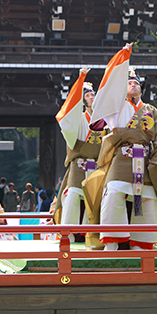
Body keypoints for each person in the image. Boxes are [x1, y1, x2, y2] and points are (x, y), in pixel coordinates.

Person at [85, 44, 157, 251]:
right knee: (114, 194)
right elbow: (99, 114)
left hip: (145, 159)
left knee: (146, 199)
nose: (133, 85)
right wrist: (123, 59)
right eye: (129, 82)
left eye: (136, 82)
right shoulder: (116, 106)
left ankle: (141, 242)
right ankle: (112, 241)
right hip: (122, 157)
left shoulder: (151, 109)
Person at [54, 69, 106, 233]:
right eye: (88, 96)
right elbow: (70, 110)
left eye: (93, 95)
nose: (92, 97)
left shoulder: (103, 121)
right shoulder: (80, 118)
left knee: (94, 200)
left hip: (97, 166)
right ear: (83, 101)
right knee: (74, 196)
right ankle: (67, 234)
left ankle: (89, 234)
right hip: (80, 164)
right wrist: (81, 78)